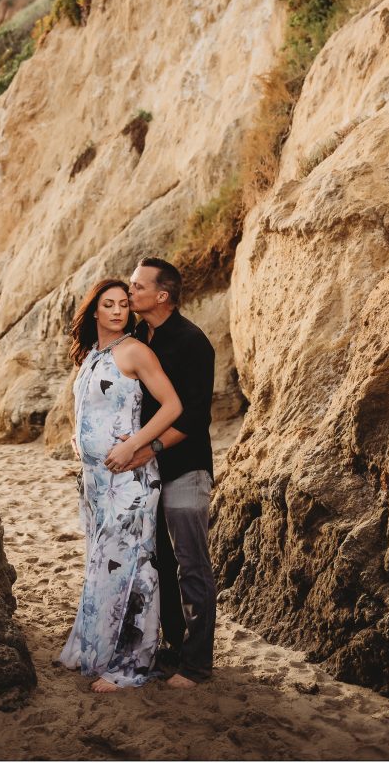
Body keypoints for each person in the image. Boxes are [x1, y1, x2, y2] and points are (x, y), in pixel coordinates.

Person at [59, 278, 182, 692]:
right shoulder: (92, 354)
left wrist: (134, 444)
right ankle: (95, 649)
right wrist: (76, 438)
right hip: (94, 481)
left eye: (124, 304)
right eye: (108, 304)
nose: (117, 311)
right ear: (94, 310)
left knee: (130, 565)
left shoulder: (134, 350)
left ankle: (129, 663)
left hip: (129, 479)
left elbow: (173, 405)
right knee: (100, 563)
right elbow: (87, 410)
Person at [116, 257, 216, 689]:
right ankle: (173, 646)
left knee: (191, 565)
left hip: (185, 467)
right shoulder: (137, 336)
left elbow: (195, 415)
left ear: (162, 295)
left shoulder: (193, 342)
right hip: (145, 473)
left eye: (138, 286)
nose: (130, 291)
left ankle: (196, 665)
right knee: (159, 561)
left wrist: (150, 446)